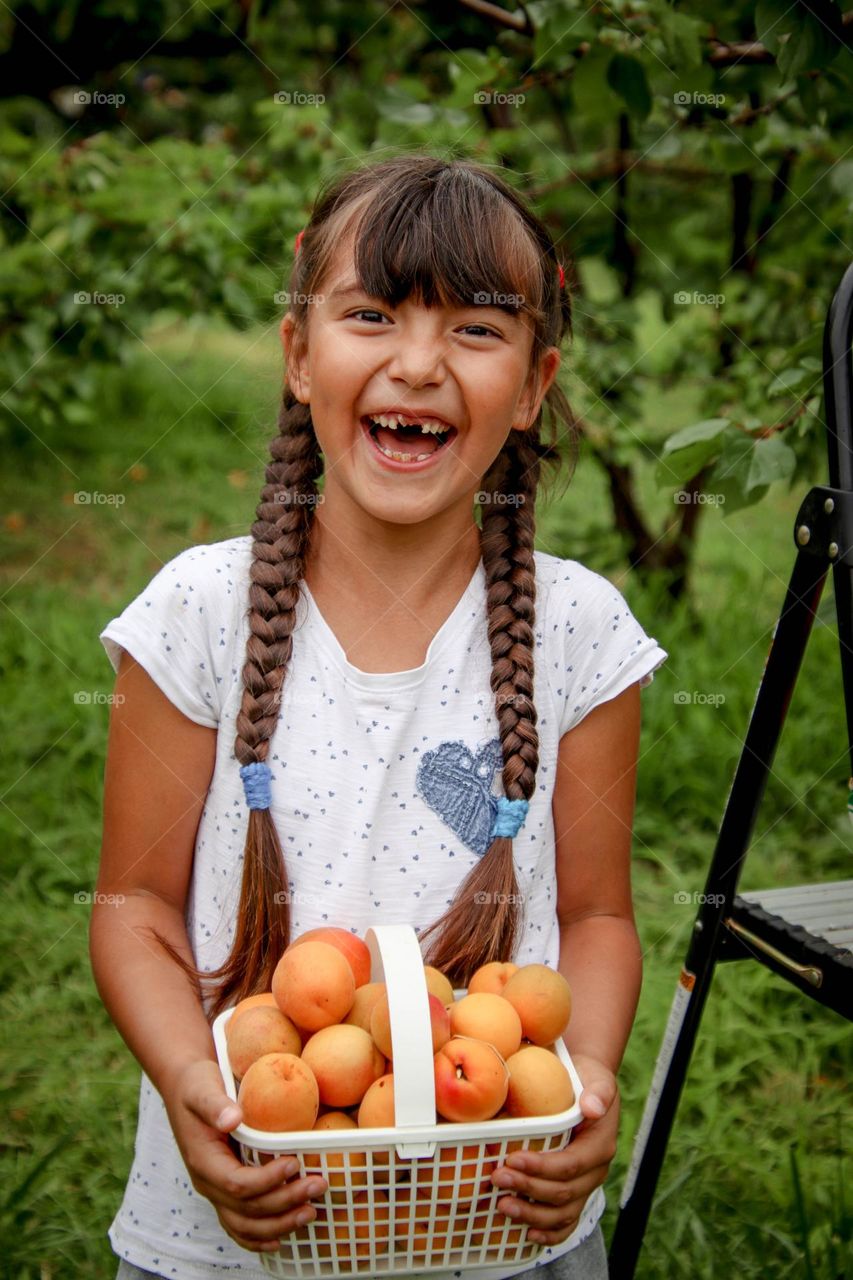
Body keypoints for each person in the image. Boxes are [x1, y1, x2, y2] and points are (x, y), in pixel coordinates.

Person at [92, 153, 667, 1280]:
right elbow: (131, 904)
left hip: (491, 1211)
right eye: (371, 315)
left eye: (475, 329)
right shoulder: (200, 613)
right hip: (240, 1221)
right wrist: (196, 1092)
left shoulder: (581, 633)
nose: (417, 364)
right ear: (300, 355)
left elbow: (598, 917)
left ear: (537, 382)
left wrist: (586, 1075)